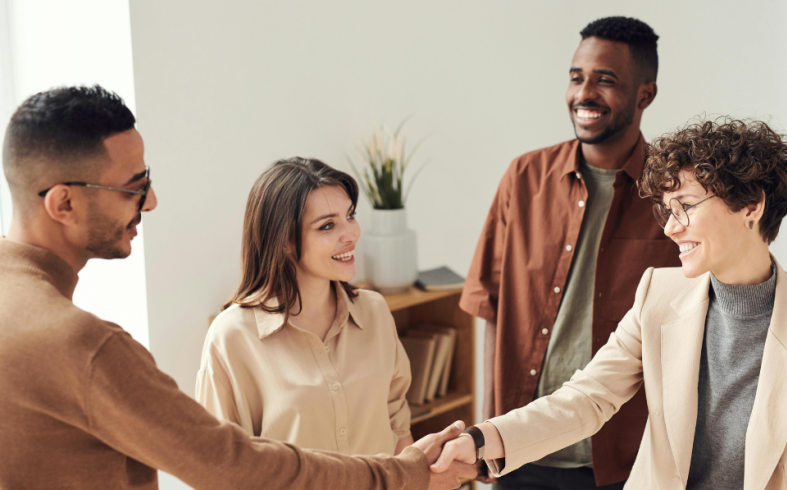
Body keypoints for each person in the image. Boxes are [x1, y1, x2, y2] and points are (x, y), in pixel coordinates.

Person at [0, 85, 475, 490]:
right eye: (134, 187)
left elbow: (394, 415)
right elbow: (229, 463)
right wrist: (401, 476)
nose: (151, 202)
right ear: (62, 203)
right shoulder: (85, 345)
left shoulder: (371, 311)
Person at [432, 117, 787, 490]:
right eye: (666, 210)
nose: (671, 228)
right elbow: (586, 398)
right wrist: (481, 439)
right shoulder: (657, 295)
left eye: (685, 206)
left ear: (751, 206)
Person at [459, 16, 679, 489]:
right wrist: (486, 431)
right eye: (577, 77)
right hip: (517, 450)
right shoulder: (523, 178)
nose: (584, 93)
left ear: (645, 94)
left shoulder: (672, 194)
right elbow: (491, 308)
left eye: (605, 80)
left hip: (623, 461)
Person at [196, 157, 414, 457]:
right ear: (283, 240)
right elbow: (220, 465)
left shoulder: (374, 311)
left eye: (350, 215)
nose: (350, 234)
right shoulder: (233, 336)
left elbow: (398, 426)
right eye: (327, 225)